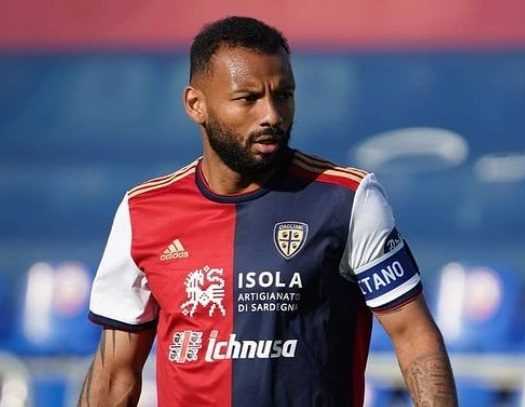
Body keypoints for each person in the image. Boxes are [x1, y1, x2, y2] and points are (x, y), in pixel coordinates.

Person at [79, 16, 457, 407]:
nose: (272, 115)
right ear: (196, 105)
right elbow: (115, 374)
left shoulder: (347, 199)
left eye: (283, 95)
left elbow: (415, 338)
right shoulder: (143, 212)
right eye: (248, 99)